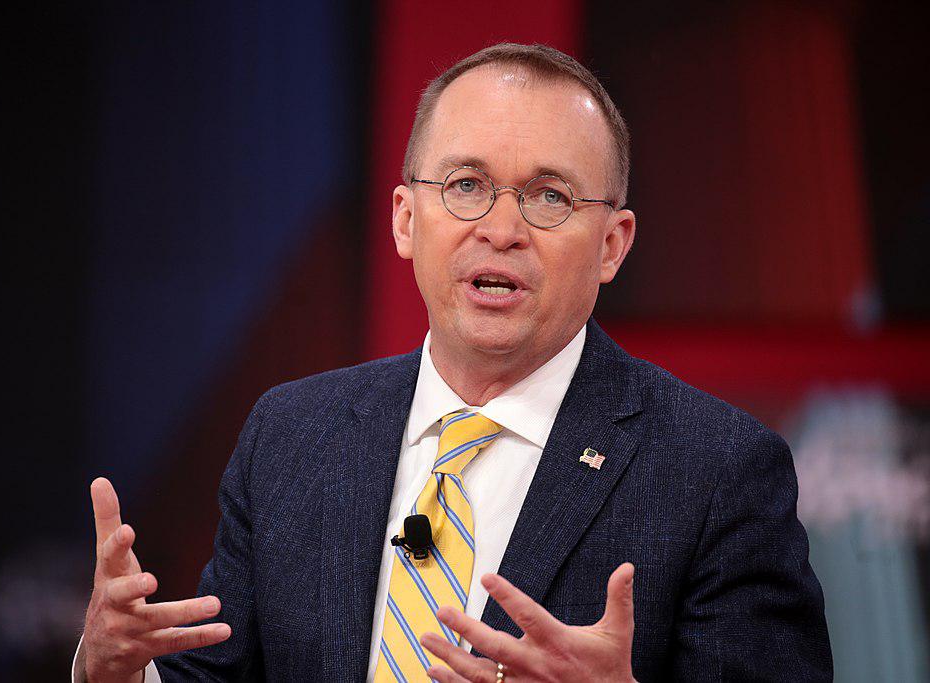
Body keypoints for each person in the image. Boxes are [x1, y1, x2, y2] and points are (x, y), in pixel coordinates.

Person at [74, 43, 833, 682]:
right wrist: (114, 673)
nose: (501, 229)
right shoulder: (291, 435)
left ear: (613, 244)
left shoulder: (718, 470)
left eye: (549, 196)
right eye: (467, 185)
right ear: (407, 218)